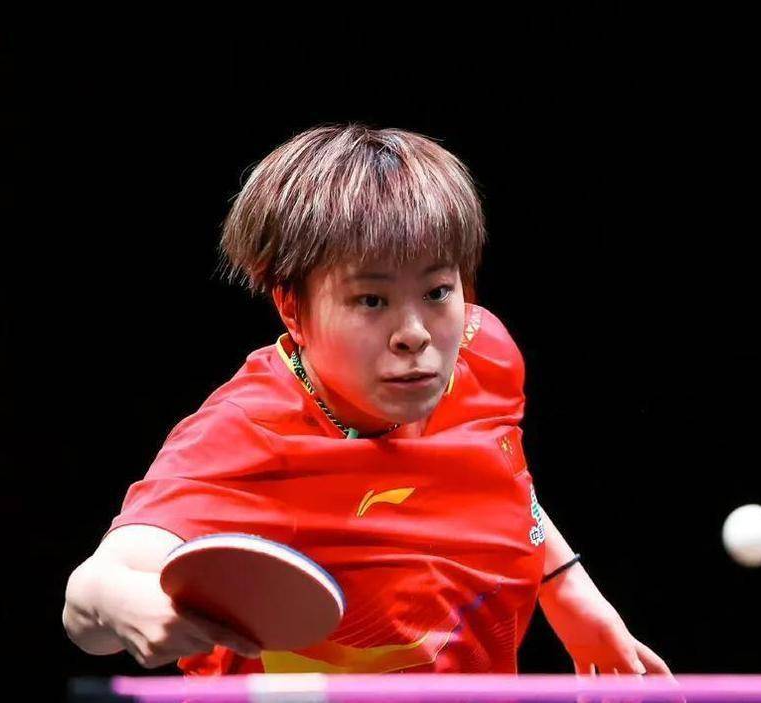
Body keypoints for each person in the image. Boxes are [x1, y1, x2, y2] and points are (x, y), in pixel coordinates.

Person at [62, 124, 672, 676]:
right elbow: (88, 598)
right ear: (292, 307)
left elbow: (501, 469)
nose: (416, 333)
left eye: (438, 291)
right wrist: (130, 603)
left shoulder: (482, 353)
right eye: (371, 300)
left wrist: (568, 588)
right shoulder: (243, 435)